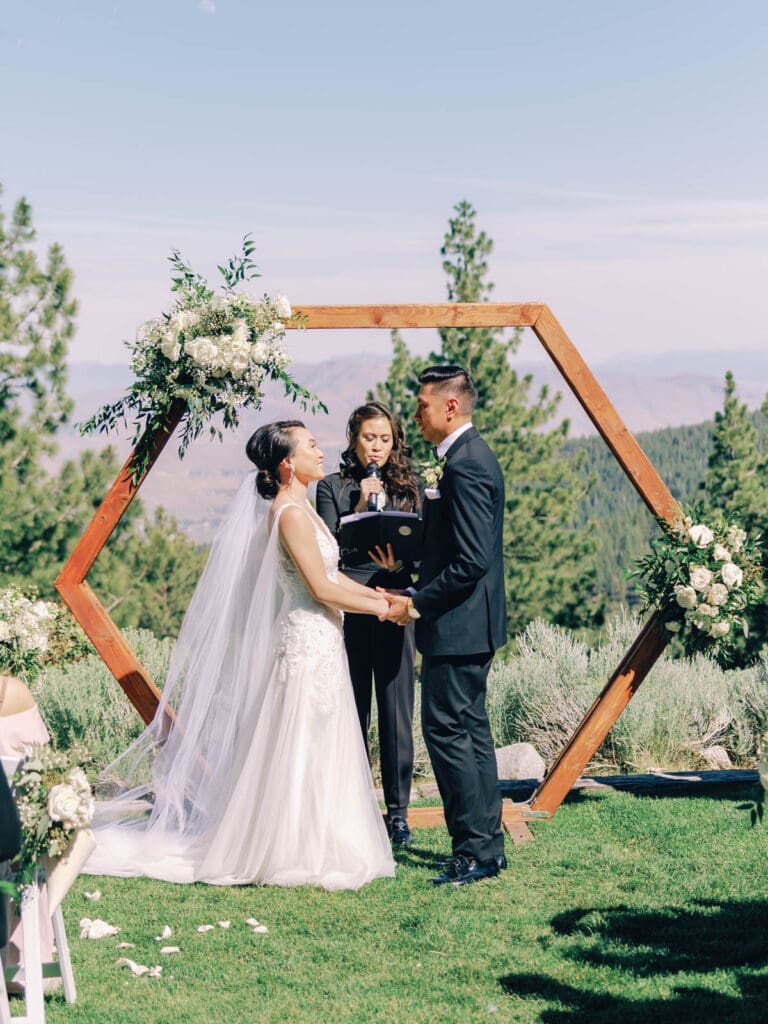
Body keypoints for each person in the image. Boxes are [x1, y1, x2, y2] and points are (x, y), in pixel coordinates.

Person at [85, 421, 395, 890]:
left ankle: (322, 837)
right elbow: (319, 587)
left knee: (321, 741)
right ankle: (291, 848)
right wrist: (384, 607)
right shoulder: (288, 515)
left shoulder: (303, 510)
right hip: (304, 642)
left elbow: (332, 577)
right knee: (300, 742)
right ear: (288, 463)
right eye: (310, 445)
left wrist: (383, 599)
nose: (320, 450)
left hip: (322, 640)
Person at [383, 365, 507, 886]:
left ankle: (472, 852)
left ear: (450, 407)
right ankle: (487, 845)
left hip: (456, 626)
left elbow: (472, 561)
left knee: (448, 733)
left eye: (422, 405)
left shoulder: (467, 467)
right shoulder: (462, 459)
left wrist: (418, 605)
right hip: (465, 623)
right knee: (470, 732)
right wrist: (410, 580)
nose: (416, 414)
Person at [316, 402, 422, 846]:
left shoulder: (411, 485)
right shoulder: (331, 487)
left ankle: (398, 814)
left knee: (397, 711)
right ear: (353, 439)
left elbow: (424, 543)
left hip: (396, 603)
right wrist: (358, 504)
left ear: (394, 441)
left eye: (384, 438)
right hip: (350, 606)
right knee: (352, 709)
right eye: (368, 438)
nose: (376, 447)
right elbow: (322, 550)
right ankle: (353, 806)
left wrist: (402, 561)